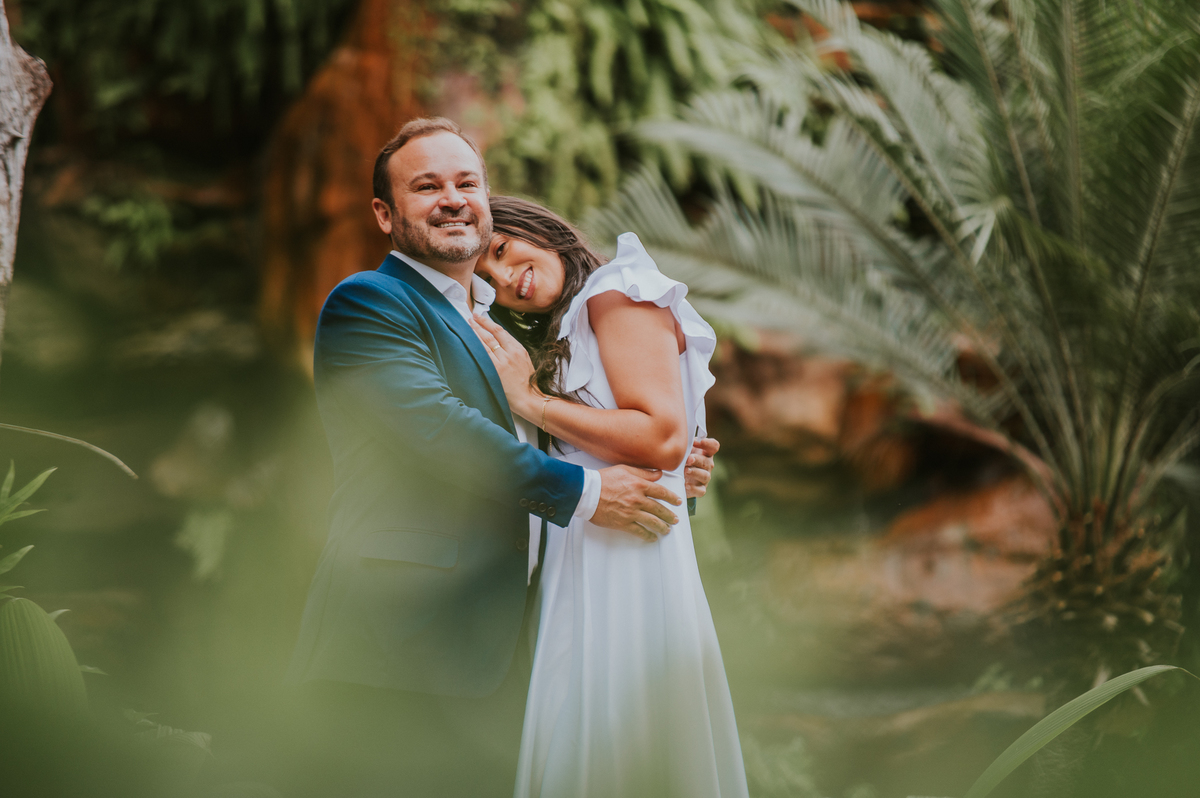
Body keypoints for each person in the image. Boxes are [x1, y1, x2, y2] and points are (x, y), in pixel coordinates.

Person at [283, 117, 716, 797]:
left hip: (511, 651)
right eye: (427, 186)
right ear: (385, 214)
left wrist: (665, 473)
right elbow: (440, 432)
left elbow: (562, 430)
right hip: (401, 643)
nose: (453, 198)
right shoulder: (371, 302)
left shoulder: (498, 326)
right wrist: (595, 494)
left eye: (467, 182)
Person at [469, 196, 749, 798]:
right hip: (587, 548)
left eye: (500, 249)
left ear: (532, 226)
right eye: (489, 283)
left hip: (624, 560)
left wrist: (530, 401)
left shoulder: (614, 290)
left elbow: (663, 436)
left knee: (622, 735)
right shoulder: (569, 326)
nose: (505, 278)